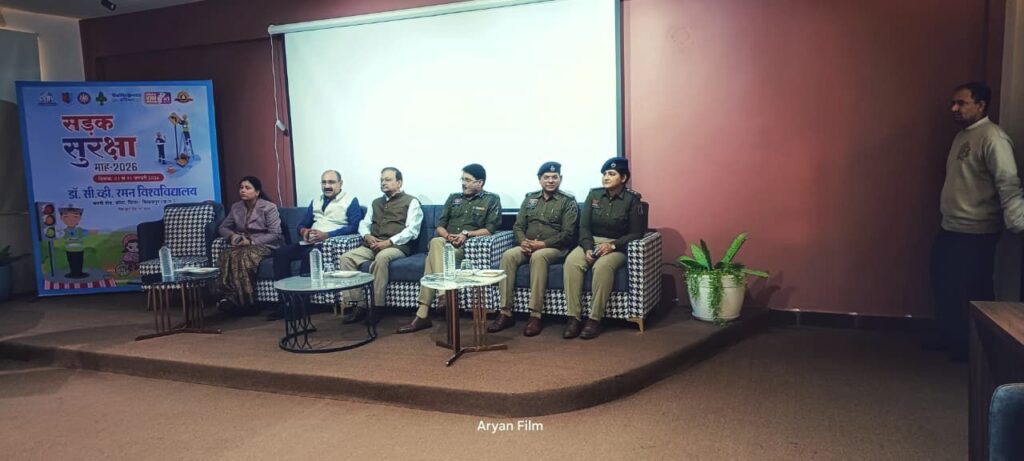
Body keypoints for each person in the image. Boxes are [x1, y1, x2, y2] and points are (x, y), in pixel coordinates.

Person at [930, 81, 1024, 360]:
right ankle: (951, 339)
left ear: (981, 105)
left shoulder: (993, 138)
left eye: (961, 103)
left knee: (975, 290)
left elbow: (1007, 182)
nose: (954, 108)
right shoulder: (962, 136)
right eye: (953, 103)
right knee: (944, 283)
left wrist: (1017, 219)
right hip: (951, 226)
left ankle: (978, 351)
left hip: (977, 231)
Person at [396, 164, 502, 334]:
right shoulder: (453, 198)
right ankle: (442, 295)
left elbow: (490, 229)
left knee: (432, 256)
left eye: (468, 180)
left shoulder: (491, 199)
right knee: (437, 243)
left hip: (466, 247)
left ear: (480, 182)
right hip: (445, 242)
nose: (463, 183)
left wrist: (466, 234)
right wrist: (447, 236)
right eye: (462, 179)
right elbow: (440, 225)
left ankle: (423, 313)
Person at [488, 161, 578, 337]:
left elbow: (568, 233)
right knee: (508, 256)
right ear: (539, 179)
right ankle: (505, 312)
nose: (550, 180)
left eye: (554, 177)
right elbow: (518, 226)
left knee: (539, 257)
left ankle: (535, 315)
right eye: (546, 177)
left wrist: (542, 244)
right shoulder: (530, 199)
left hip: (554, 248)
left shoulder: (567, 201)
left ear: (560, 179)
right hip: (528, 245)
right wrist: (523, 241)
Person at [562, 158, 644, 339]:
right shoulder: (594, 195)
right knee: (571, 263)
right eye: (605, 174)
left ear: (623, 178)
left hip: (617, 246)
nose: (606, 177)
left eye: (611, 174)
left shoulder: (632, 200)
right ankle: (573, 318)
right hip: (591, 242)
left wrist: (612, 245)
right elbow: (584, 227)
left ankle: (594, 319)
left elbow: (636, 233)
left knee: (602, 267)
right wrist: (587, 248)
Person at [268, 169, 362, 320]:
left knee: (310, 256)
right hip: (310, 241)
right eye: (324, 182)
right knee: (280, 253)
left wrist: (327, 235)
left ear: (340, 184)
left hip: (328, 244)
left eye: (331, 182)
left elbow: (354, 227)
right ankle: (285, 303)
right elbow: (301, 225)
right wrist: (304, 231)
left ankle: (302, 306)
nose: (327, 186)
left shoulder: (350, 201)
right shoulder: (316, 201)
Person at [338, 167, 423, 323]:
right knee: (346, 258)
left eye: (388, 179)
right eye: (382, 180)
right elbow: (364, 223)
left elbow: (413, 230)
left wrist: (389, 242)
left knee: (382, 258)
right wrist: (367, 235)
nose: (383, 183)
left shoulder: (412, 202)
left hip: (396, 246)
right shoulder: (376, 202)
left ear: (399, 182)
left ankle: (377, 307)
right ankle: (358, 305)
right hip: (372, 244)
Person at [216, 176, 284, 314]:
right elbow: (222, 227)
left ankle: (248, 302)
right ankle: (230, 299)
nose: (243, 191)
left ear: (257, 192)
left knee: (244, 257)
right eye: (241, 188)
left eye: (247, 188)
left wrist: (252, 241)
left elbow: (275, 233)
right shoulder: (236, 207)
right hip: (243, 244)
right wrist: (232, 236)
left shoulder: (269, 207)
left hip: (267, 244)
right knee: (227, 255)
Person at [59, 204, 89, 279]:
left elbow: (90, 233)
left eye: (75, 217)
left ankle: (79, 273)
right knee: (71, 261)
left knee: (79, 261)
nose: (71, 220)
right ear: (61, 218)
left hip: (79, 250)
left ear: (79, 218)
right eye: (66, 217)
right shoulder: (63, 231)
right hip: (69, 250)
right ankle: (73, 273)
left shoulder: (81, 230)